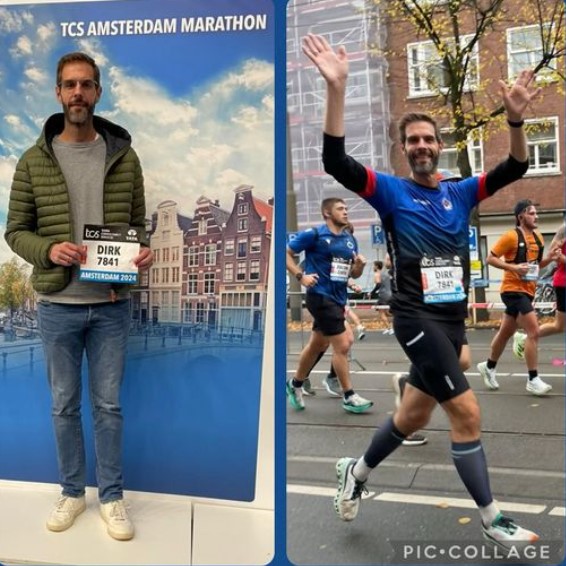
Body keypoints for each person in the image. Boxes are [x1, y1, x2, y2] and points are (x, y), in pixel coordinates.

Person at [302, 32, 540, 549]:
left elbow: (516, 166)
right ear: (406, 152)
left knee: (412, 415)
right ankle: (492, 515)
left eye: (429, 139)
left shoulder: (461, 191)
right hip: (415, 318)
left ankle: (355, 472)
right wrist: (337, 90)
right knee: (467, 412)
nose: (422, 147)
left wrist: (516, 121)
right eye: (413, 142)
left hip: (452, 320)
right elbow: (335, 162)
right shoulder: (392, 191)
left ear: (440, 144)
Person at [5, 52, 153, 541]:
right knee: (64, 406)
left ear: (98, 93)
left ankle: (111, 498)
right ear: (57, 93)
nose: (78, 94)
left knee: (108, 407)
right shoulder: (33, 160)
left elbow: (137, 226)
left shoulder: (124, 157)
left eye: (86, 85)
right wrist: (48, 249)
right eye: (69, 85)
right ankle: (72, 491)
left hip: (111, 304)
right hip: (56, 306)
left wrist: (142, 253)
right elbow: (14, 232)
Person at [286, 197, 373, 413]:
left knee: (318, 344)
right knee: (344, 343)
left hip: (338, 298)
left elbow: (352, 273)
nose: (345, 212)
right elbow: (285, 253)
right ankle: (349, 396)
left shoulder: (349, 240)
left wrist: (360, 267)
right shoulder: (314, 234)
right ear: (327, 213)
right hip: (320, 296)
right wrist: (301, 276)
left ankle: (294, 384)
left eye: (346, 209)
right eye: (340, 209)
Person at [477, 200, 555, 396]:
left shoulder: (538, 237)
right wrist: (513, 268)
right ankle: (533, 379)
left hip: (527, 290)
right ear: (521, 216)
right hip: (512, 290)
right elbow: (491, 258)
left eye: (537, 213)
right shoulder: (510, 236)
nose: (536, 217)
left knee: (505, 332)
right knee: (534, 331)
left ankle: (488, 366)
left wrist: (551, 258)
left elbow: (536, 265)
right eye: (532, 213)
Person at [512, 224, 565, 357]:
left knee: (559, 327)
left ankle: (524, 338)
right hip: (563, 283)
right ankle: (525, 337)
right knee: (559, 325)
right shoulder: (564, 230)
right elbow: (554, 253)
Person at [375, 254, 394, 335]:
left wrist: (371, 292)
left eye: (374, 266)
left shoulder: (377, 274)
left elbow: (378, 284)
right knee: (389, 312)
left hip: (383, 295)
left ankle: (390, 328)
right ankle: (389, 327)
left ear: (376, 266)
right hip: (390, 294)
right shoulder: (387, 273)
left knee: (381, 312)